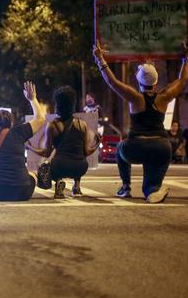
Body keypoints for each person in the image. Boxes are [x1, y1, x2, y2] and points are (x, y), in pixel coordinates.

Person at [93, 41, 188, 203]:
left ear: (138, 81)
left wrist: (100, 59)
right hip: (161, 148)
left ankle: (126, 187)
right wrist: (185, 59)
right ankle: (152, 191)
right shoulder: (164, 97)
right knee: (150, 187)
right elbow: (182, 80)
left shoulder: (135, 98)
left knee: (121, 147)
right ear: (156, 82)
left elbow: (112, 82)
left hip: (135, 147)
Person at [27, 86, 100, 198]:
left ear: (58, 104)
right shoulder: (82, 124)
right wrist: (97, 144)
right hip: (81, 167)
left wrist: (29, 147)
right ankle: (77, 186)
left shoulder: (52, 125)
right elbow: (86, 151)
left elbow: (46, 153)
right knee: (78, 156)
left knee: (51, 163)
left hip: (60, 166)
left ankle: (58, 182)